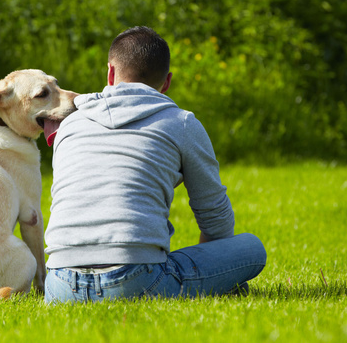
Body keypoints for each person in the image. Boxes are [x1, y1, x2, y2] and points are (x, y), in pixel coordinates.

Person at [43, 26, 266, 303]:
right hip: (137, 280)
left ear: (110, 73)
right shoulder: (181, 123)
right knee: (252, 248)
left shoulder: (69, 124)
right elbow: (215, 219)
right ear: (167, 81)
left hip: (58, 285)